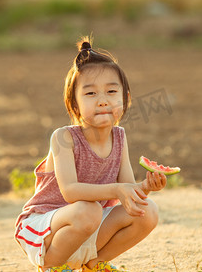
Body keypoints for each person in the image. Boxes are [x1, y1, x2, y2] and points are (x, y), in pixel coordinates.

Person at [14, 36, 167, 272]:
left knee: (148, 210)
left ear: (125, 99)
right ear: (74, 105)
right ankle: (53, 267)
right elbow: (71, 191)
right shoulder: (63, 138)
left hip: (88, 225)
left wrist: (146, 186)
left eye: (111, 91)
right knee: (89, 209)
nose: (103, 101)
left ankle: (93, 265)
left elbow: (127, 188)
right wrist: (117, 190)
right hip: (46, 229)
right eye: (90, 94)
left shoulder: (120, 137)